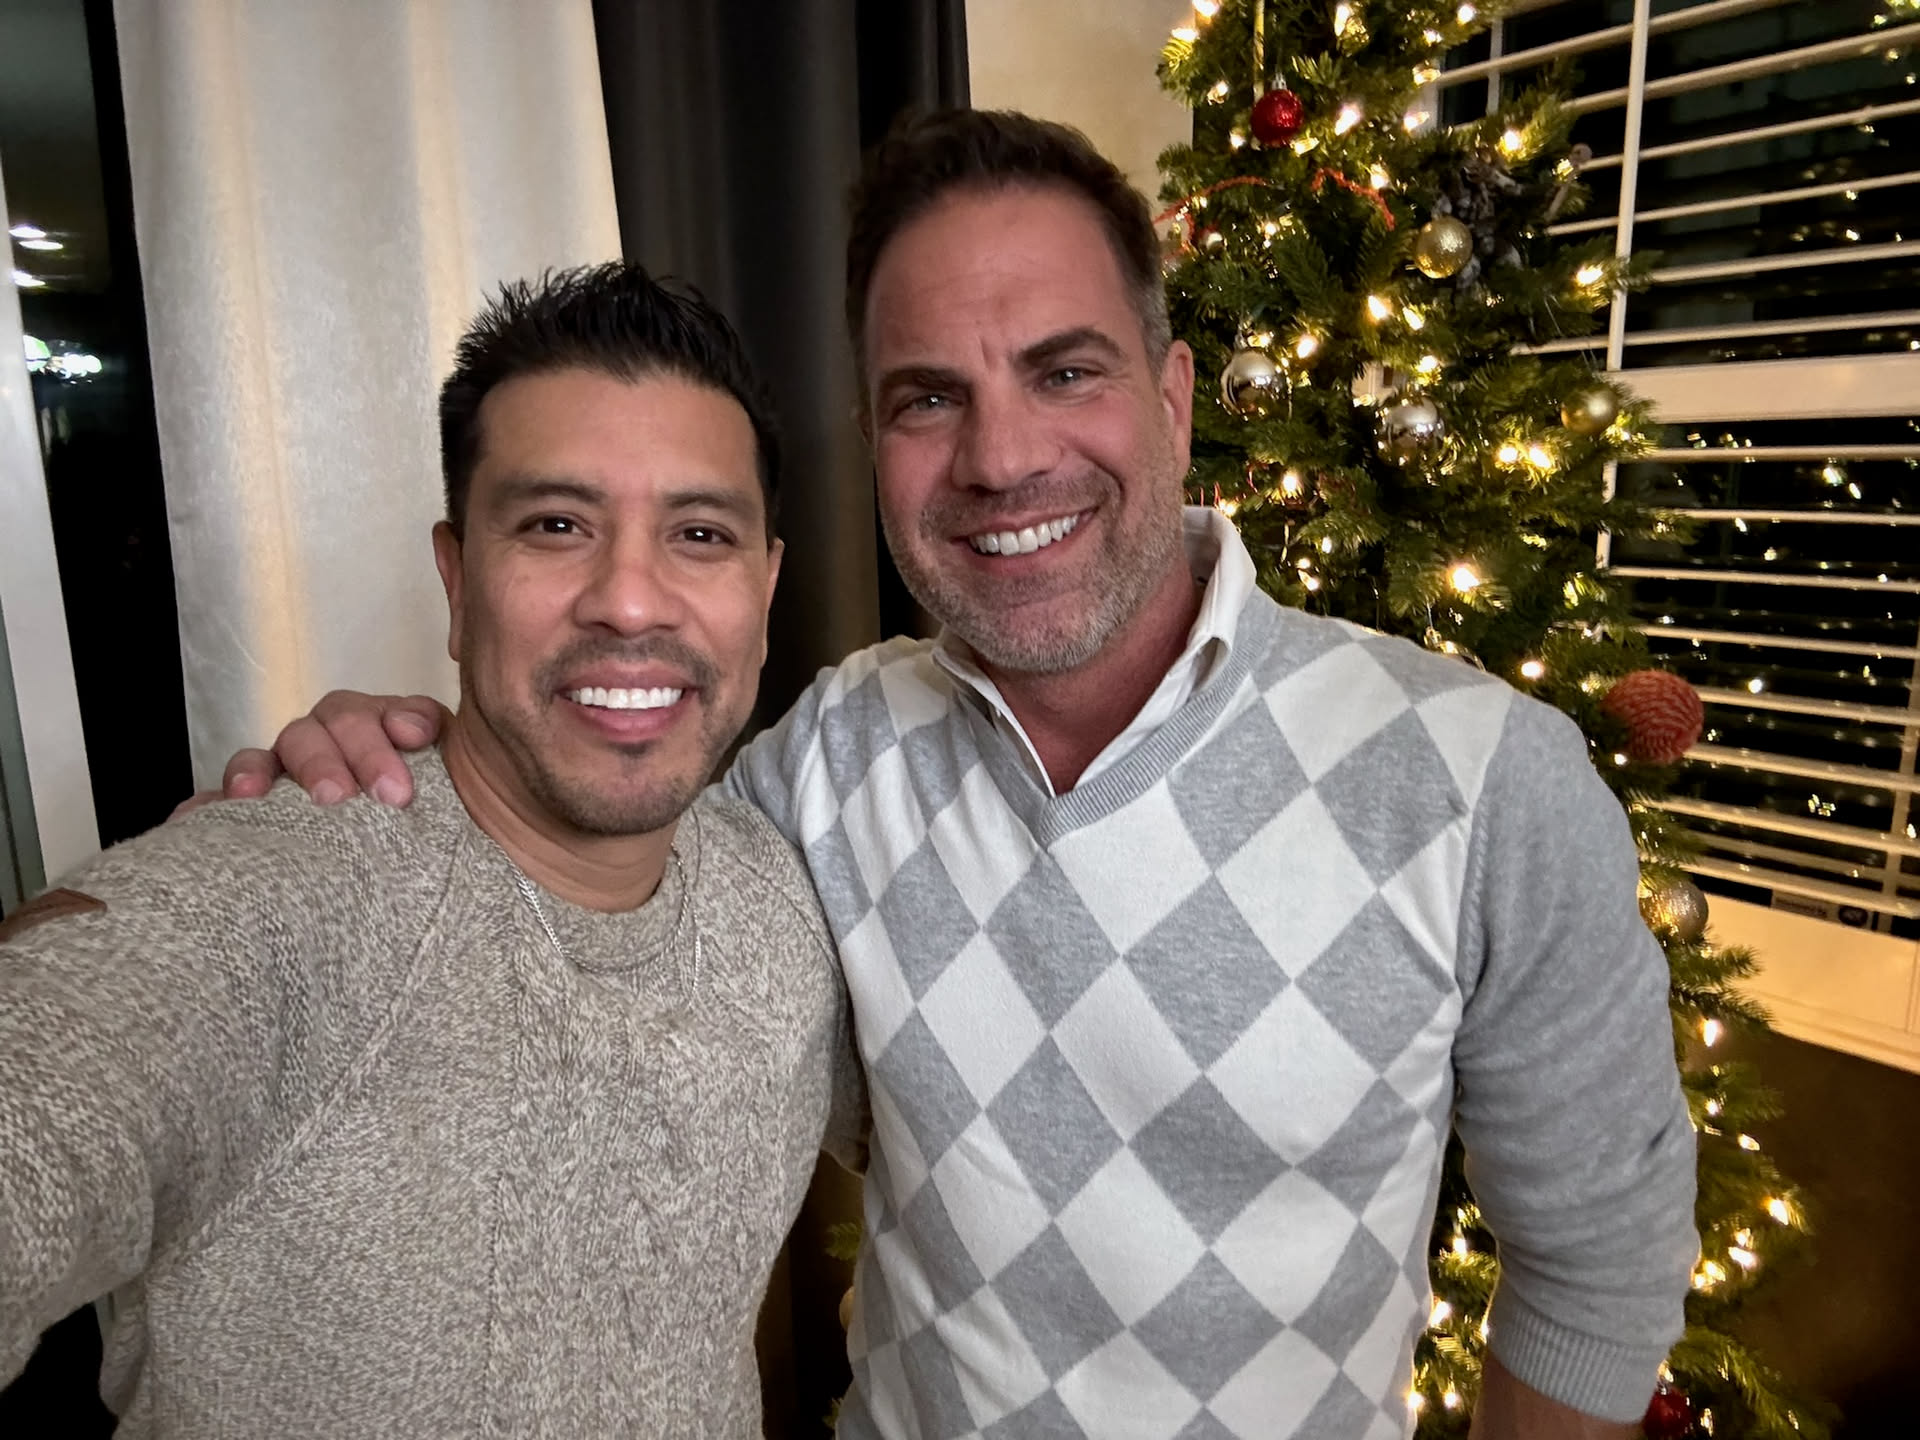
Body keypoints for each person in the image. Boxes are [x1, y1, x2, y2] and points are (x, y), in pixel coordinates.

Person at [220, 111, 1697, 1439]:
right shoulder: (819, 766)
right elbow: (574, 881)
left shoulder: (1479, 777)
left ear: (1175, 398)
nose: (999, 457)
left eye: (1066, 370)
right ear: (875, 442)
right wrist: (403, 774)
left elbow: (1598, 1264)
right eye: (928, 398)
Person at [0, 263, 863, 1437]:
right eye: (557, 526)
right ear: (458, 581)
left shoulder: (790, 904)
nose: (629, 600)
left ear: (764, 589)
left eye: (699, 534)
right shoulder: (268, 904)